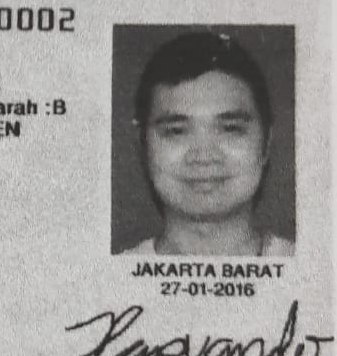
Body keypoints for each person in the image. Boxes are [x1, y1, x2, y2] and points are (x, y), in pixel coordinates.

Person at [121, 30, 294, 256]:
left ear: (266, 144)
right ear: (143, 147)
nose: (204, 156)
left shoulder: (314, 267)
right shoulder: (107, 274)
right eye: (176, 131)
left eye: (230, 129)